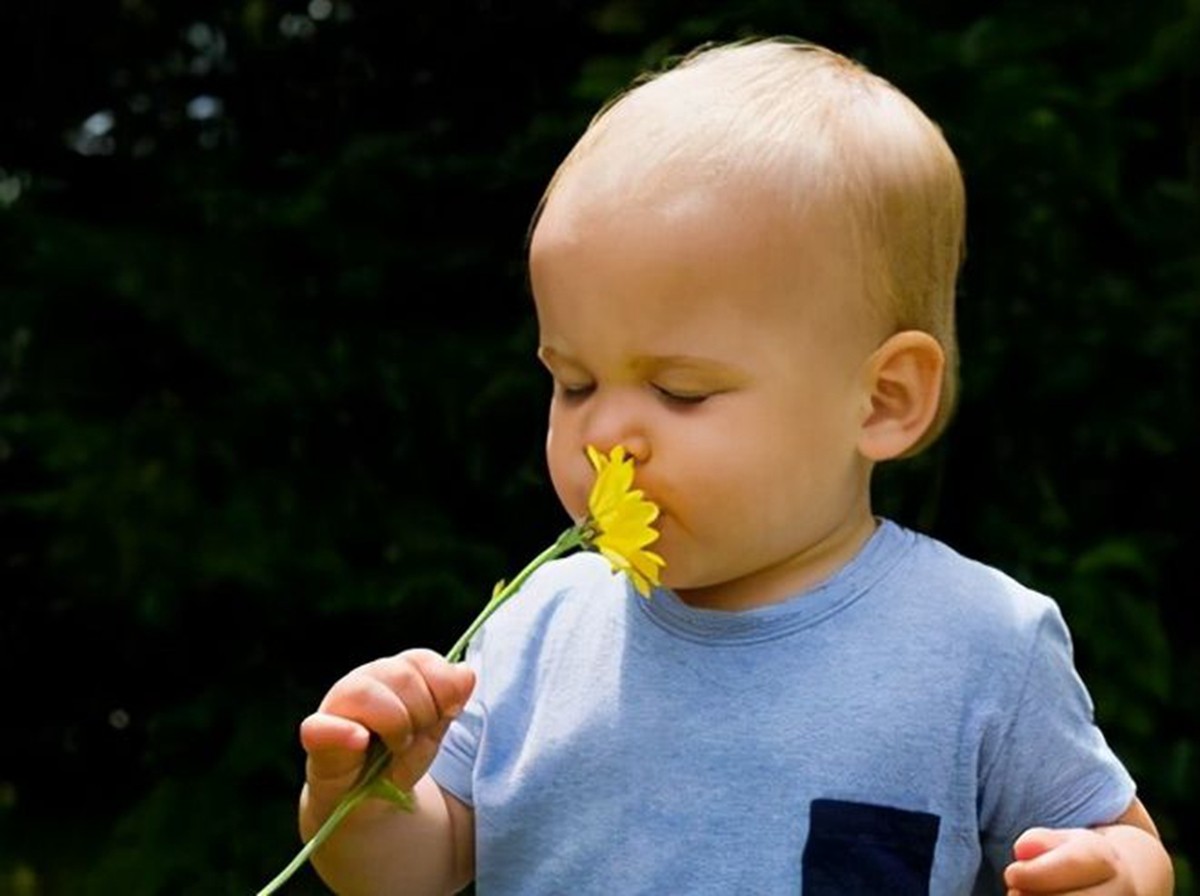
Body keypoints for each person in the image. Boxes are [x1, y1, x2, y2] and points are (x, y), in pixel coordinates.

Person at [295, 36, 1175, 895]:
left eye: (679, 391)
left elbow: (1120, 838)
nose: (608, 435)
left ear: (882, 400)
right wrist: (365, 803)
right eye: (573, 382)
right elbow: (423, 868)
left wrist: (1113, 875)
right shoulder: (535, 630)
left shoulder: (981, 644)